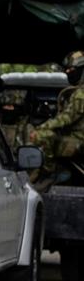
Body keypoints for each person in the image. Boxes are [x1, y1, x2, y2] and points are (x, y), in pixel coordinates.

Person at [30, 51, 84, 190]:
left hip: (79, 140)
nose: (68, 72)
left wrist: (42, 127)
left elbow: (66, 118)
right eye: (67, 70)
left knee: (42, 136)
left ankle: (49, 172)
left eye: (72, 70)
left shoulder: (80, 94)